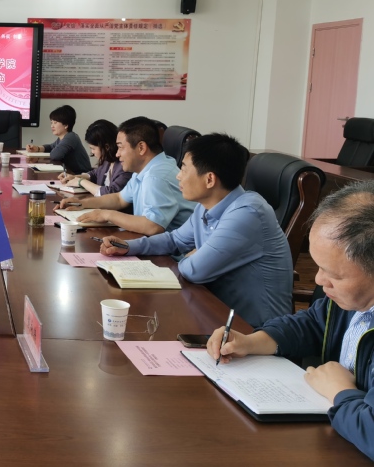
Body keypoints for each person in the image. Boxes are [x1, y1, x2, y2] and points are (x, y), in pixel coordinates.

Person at [208, 181, 374, 461]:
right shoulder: (351, 301)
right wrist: (252, 341)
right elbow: (313, 323)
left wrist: (341, 392)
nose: (318, 280)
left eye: (333, 274)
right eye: (318, 266)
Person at [99, 134, 292, 327]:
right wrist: (128, 247)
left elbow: (195, 271)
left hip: (254, 331)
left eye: (184, 168)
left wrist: (192, 257)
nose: (178, 175)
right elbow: (174, 240)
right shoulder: (205, 206)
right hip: (212, 312)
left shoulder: (247, 213)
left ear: (209, 179)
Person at [61, 116, 194, 235]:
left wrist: (107, 215)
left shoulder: (156, 177)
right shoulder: (144, 169)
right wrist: (82, 204)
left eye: (120, 147)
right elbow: (119, 199)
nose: (117, 154)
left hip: (172, 252)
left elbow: (152, 226)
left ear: (141, 148)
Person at [60, 119, 132, 196]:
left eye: (93, 148)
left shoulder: (124, 165)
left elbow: (111, 193)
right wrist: (75, 177)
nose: (92, 152)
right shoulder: (107, 160)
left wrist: (81, 182)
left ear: (106, 147)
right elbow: (95, 174)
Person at [25, 104, 90, 173]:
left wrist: (38, 159)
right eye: (51, 123)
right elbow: (51, 147)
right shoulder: (63, 138)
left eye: (55, 123)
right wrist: (37, 148)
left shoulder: (71, 137)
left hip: (81, 175)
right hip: (70, 174)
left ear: (66, 125)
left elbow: (55, 155)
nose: (52, 126)